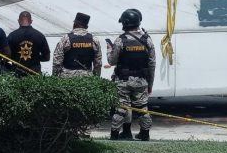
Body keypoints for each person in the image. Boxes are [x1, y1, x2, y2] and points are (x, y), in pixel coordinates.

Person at [107, 9, 156, 141]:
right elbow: (152, 64)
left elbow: (112, 61)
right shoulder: (147, 40)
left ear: (125, 23)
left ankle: (114, 135)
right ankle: (145, 134)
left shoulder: (121, 40)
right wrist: (150, 84)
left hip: (123, 81)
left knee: (121, 108)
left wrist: (109, 50)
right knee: (142, 108)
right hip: (141, 81)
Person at [52, 12, 102, 78]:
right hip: (87, 78)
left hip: (66, 78)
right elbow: (98, 64)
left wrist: (54, 77)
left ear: (74, 24)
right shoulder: (94, 40)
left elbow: (57, 61)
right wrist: (96, 78)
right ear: (86, 27)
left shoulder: (65, 39)